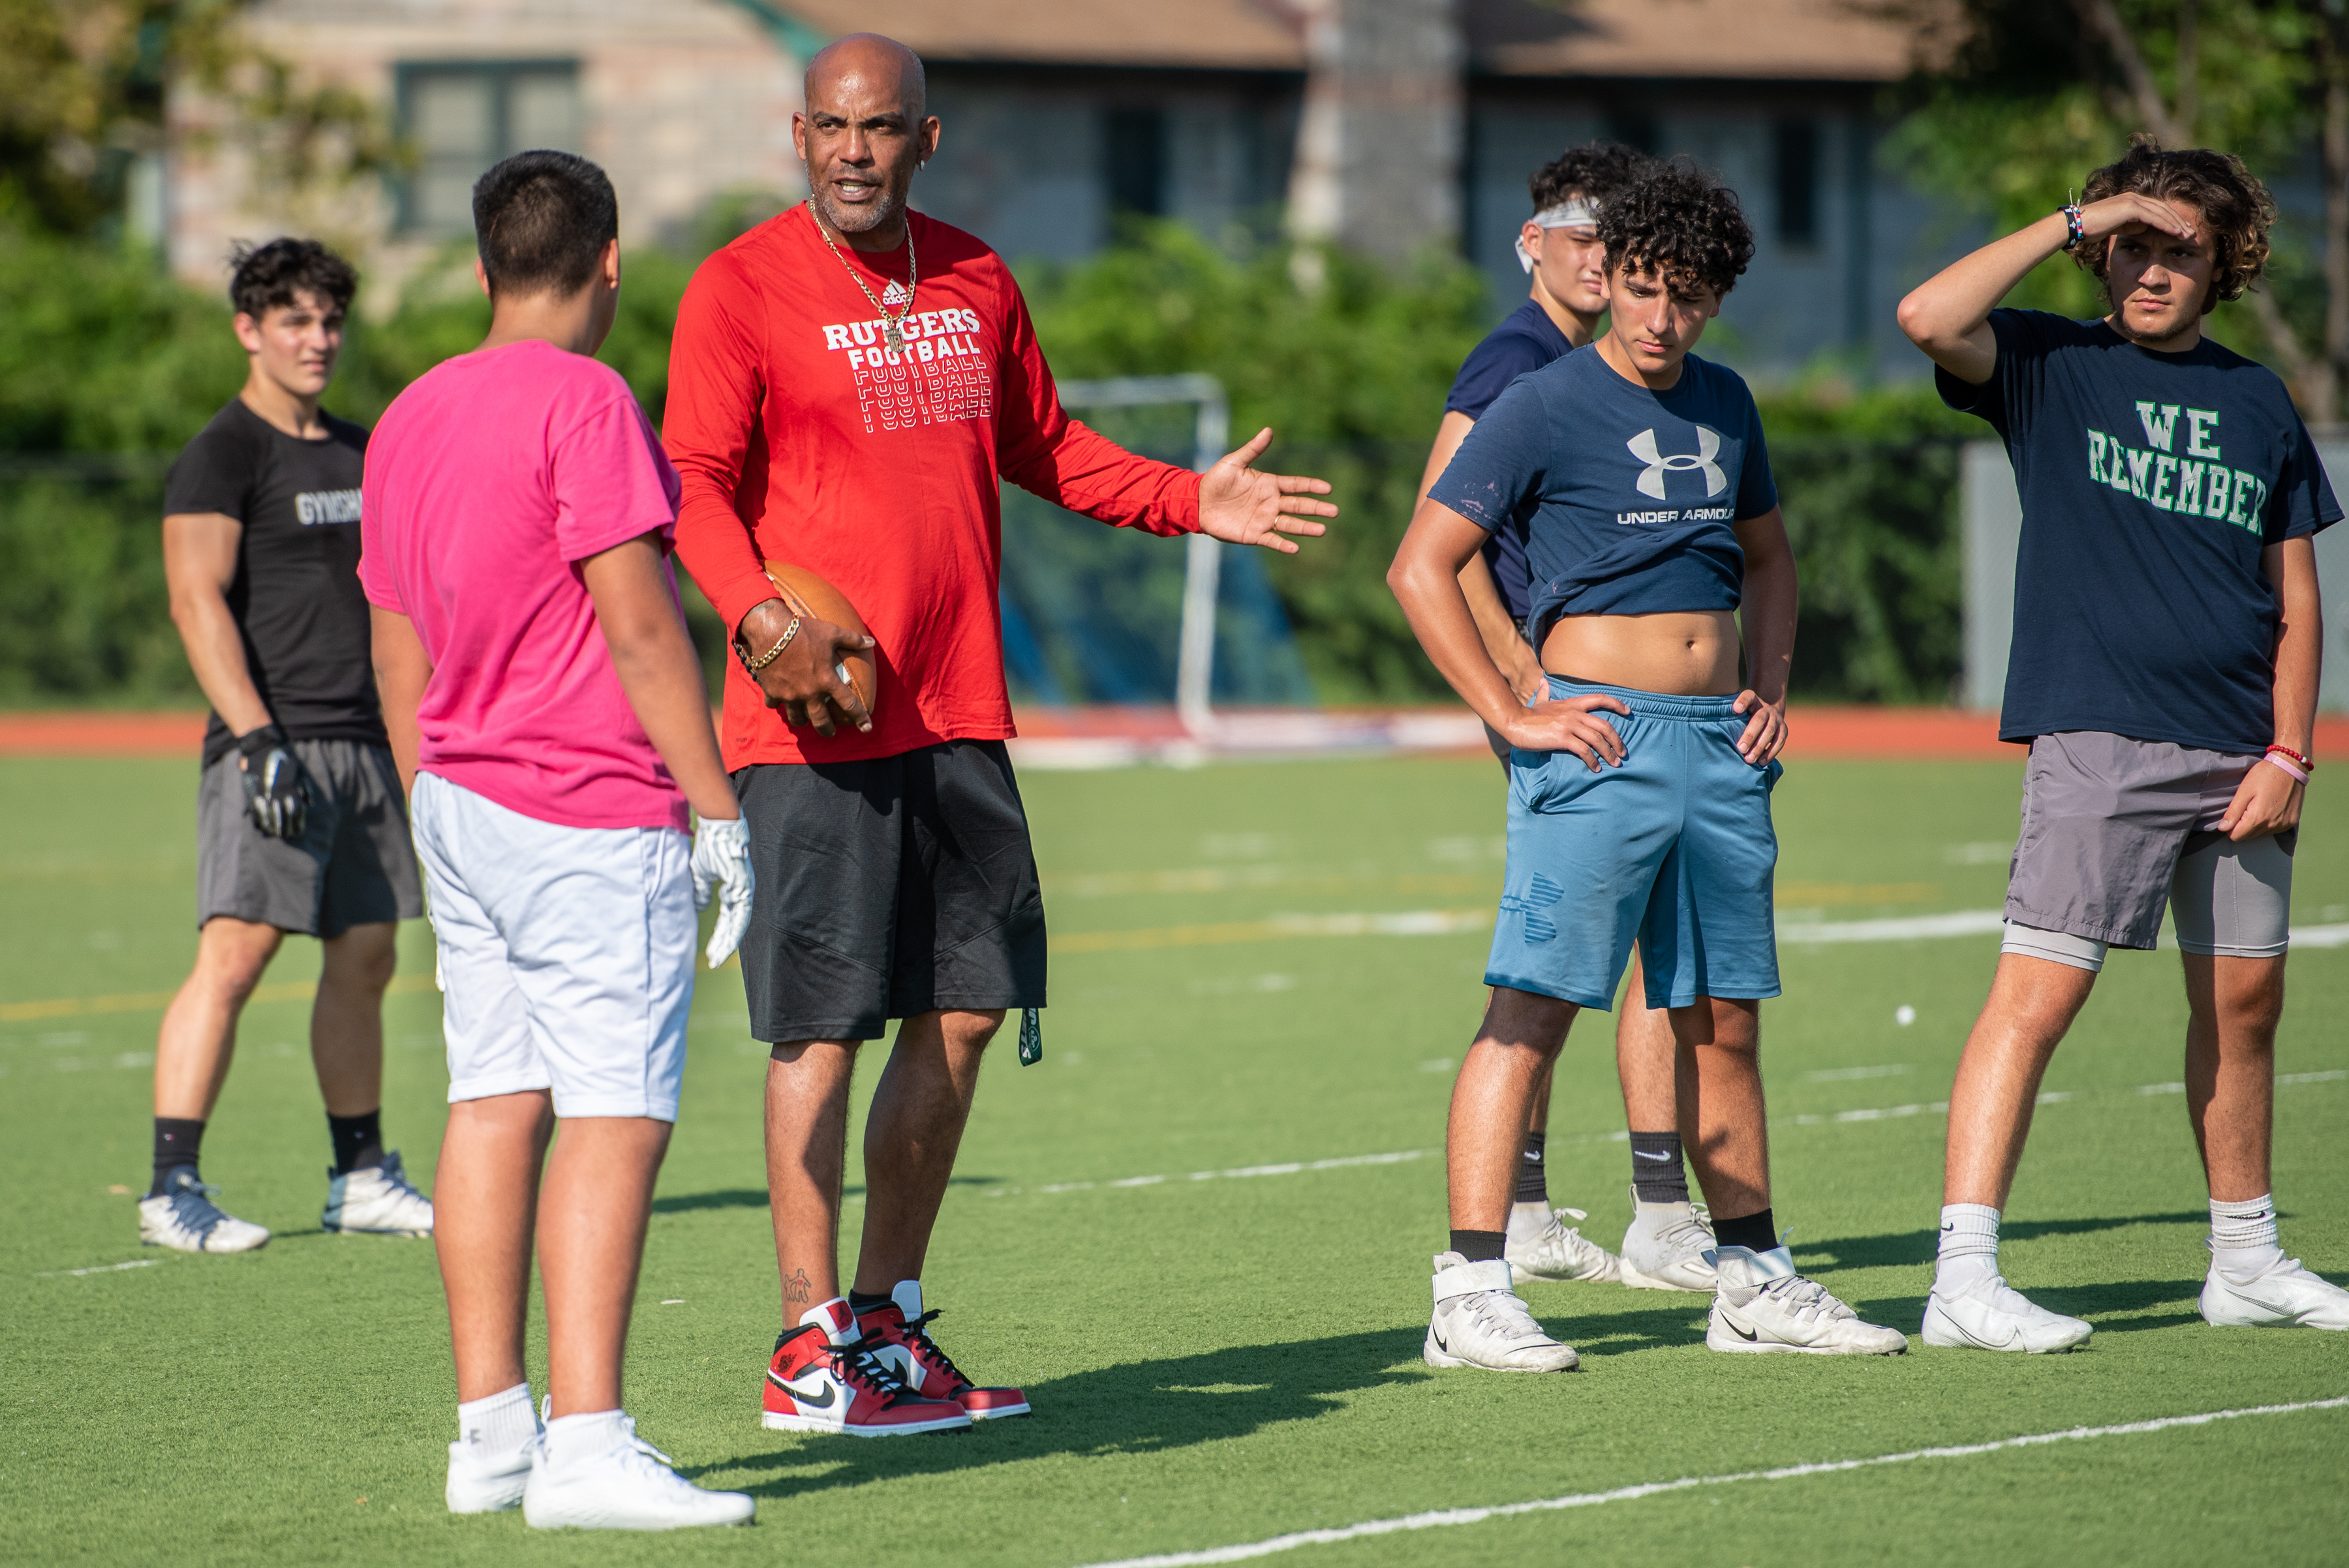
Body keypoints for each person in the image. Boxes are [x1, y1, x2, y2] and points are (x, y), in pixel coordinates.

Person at [663, 33, 1336, 1434]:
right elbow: (695, 485)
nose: (856, 151)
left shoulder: (973, 275)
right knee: (819, 1029)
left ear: (928, 139)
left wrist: (1183, 499)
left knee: (965, 1010)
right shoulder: (738, 286)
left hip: (956, 708)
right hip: (816, 723)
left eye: (884, 129)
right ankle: (804, 1343)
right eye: (835, 128)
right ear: (801, 135)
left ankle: (888, 1322)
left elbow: (1042, 442)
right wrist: (756, 618)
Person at [1389, 161, 1909, 1371]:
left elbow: (1771, 560)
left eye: (1683, 295)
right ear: (1608, 279)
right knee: (1530, 1011)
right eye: (1637, 288)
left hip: (1717, 751)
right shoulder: (1542, 399)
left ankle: (1752, 1278)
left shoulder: (1729, 402)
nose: (1656, 318)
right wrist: (1516, 709)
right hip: (1597, 735)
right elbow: (1422, 564)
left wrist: (1771, 685)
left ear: (1716, 299)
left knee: (1722, 1016)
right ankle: (1468, 1289)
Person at [1897, 137, 2348, 1350]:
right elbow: (1926, 313)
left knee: (2247, 1005)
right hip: (2103, 741)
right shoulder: (2050, 360)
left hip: (2247, 757)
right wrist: (2073, 215)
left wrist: (2290, 752)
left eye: (2180, 249)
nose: (2151, 271)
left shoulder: (2258, 399)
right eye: (2133, 247)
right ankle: (1963, 1277)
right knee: (2036, 1001)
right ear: (2103, 255)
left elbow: (2298, 596)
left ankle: (2245, 1259)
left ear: (2227, 265)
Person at [363, 151, 757, 1528]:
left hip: (459, 797)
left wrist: (426, 791)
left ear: (482, 269)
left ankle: (494, 1431)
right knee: (613, 1111)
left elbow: (392, 628)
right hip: (585, 808)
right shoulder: (590, 398)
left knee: (492, 1098)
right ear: (607, 266)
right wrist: (718, 803)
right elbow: (641, 621)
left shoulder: (408, 411)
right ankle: (587, 1444)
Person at [1411, 142, 1715, 1297]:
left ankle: (1548, 1207)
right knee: (1589, 967)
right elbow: (1442, 533)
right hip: (1573, 695)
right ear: (1532, 243)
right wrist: (1517, 676)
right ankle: (1617, 1212)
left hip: (1624, 694)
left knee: (1623, 959)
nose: (1599, 259)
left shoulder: (1621, 361)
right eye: (1579, 237)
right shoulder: (1521, 358)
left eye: (1615, 240)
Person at [142, 238, 431, 1254]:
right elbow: (194, 600)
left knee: (368, 951)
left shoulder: (362, 450)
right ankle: (171, 1184)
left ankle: (359, 1176)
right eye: (297, 322)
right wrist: (258, 739)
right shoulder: (224, 451)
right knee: (236, 952)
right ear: (249, 331)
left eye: (330, 321)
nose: (319, 340)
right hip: (271, 744)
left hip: (364, 743)